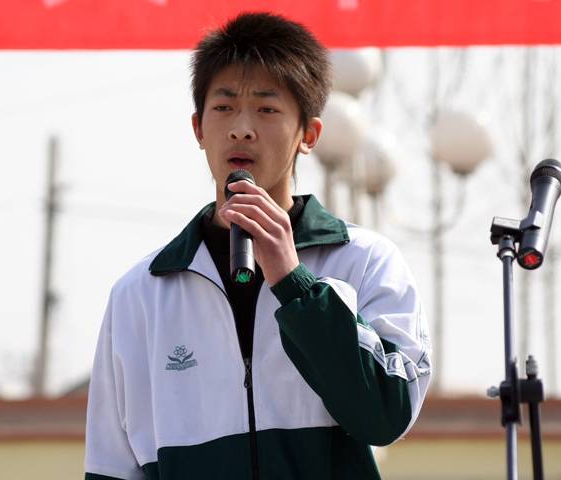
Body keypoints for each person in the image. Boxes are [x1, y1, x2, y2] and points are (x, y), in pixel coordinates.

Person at [85, 12, 431, 480]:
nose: (241, 128)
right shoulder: (140, 294)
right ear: (198, 129)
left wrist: (295, 285)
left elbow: (386, 415)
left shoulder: (365, 261)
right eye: (224, 107)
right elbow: (111, 466)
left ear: (309, 135)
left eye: (267, 109)